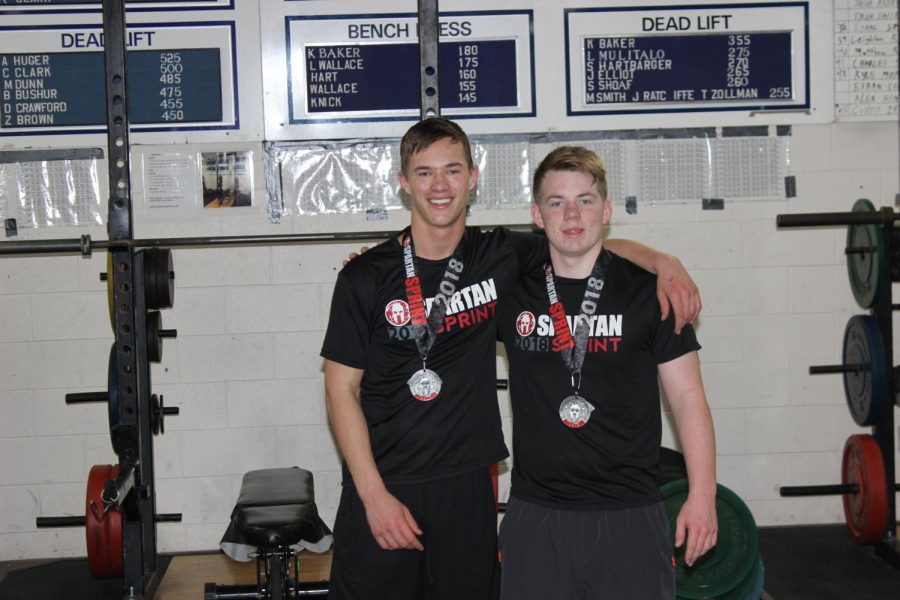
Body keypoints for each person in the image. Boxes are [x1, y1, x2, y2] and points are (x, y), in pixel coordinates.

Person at [320, 118, 700, 600]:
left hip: (468, 486)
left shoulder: (500, 254)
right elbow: (339, 390)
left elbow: (580, 244)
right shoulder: (365, 278)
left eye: (453, 171)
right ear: (403, 183)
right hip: (386, 484)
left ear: (473, 178)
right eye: (424, 172)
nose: (440, 186)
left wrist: (663, 261)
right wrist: (373, 496)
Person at [497, 146, 717, 600]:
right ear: (537, 215)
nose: (572, 214)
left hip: (630, 512)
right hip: (538, 515)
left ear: (608, 210)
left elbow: (687, 398)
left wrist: (702, 495)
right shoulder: (510, 293)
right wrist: (374, 272)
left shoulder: (650, 294)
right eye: (557, 202)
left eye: (586, 199)